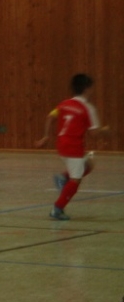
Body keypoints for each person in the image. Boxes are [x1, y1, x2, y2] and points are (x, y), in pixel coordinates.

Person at [34, 73, 110, 220]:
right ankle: (57, 209)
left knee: (88, 164)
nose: (93, 91)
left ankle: (62, 178)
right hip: (73, 147)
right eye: (92, 88)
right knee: (76, 180)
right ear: (87, 89)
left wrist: (46, 136)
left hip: (62, 144)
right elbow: (94, 133)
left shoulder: (64, 104)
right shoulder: (88, 108)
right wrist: (105, 131)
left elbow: (50, 117)